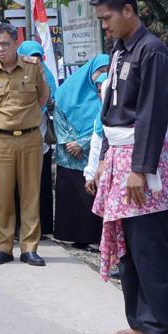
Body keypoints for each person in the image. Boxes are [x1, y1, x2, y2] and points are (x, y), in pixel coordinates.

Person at [89, 0, 168, 334]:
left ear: (128, 11)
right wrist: (106, 157)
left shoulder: (152, 51)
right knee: (127, 246)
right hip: (119, 156)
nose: (104, 25)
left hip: (143, 161)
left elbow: (153, 114)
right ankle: (140, 321)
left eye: (107, 18)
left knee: (149, 246)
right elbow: (110, 110)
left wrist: (141, 168)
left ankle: (162, 328)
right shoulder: (119, 50)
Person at [0, 23, 50, 267]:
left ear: (15, 43)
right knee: (3, 196)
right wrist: (4, 120)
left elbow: (43, 96)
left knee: (31, 194)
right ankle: (4, 247)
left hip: (30, 138)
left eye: (4, 44)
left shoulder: (32, 67)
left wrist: (25, 118)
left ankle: (29, 248)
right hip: (1, 140)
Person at [53, 54, 110, 250]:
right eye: (99, 71)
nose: (102, 75)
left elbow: (103, 128)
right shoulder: (68, 90)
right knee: (71, 195)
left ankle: (93, 237)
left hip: (92, 157)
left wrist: (82, 144)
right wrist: (69, 141)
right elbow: (58, 113)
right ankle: (71, 234)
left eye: (106, 71)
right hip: (68, 156)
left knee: (91, 195)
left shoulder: (108, 94)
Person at [18, 40, 57, 239]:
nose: (35, 60)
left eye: (38, 56)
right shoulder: (18, 76)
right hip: (19, 138)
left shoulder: (46, 76)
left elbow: (54, 102)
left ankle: (41, 227)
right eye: (30, 56)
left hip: (42, 139)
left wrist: (48, 97)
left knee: (40, 185)